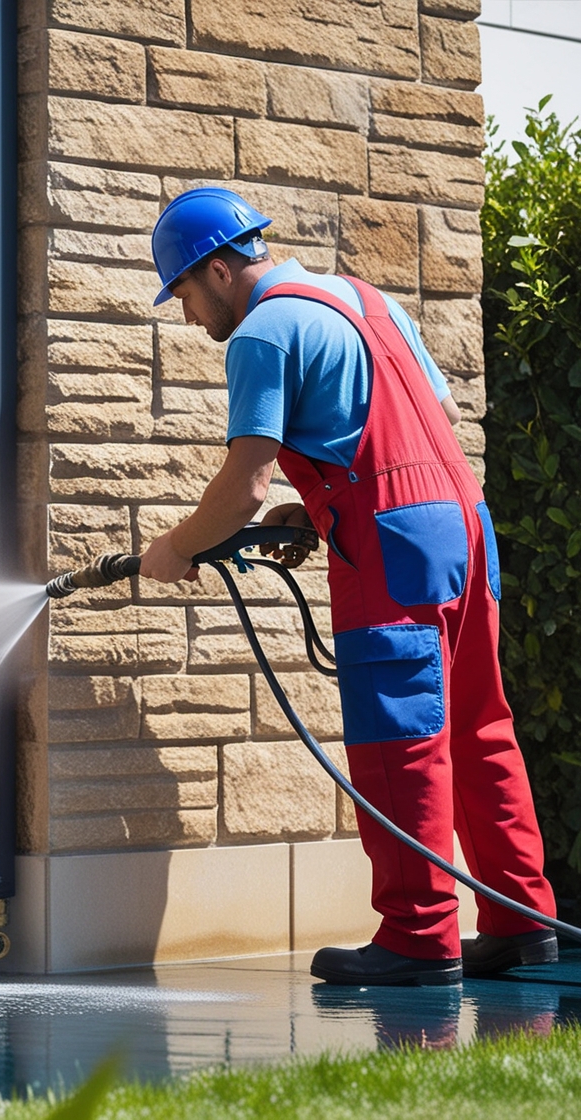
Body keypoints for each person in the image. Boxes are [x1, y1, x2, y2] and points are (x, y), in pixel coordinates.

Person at [138, 187, 558, 985]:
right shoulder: (364, 298)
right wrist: (323, 500)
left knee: (398, 739)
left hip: (392, 547)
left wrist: (177, 546)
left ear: (219, 270)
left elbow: (244, 485)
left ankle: (419, 935)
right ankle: (521, 920)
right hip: (466, 529)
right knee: (480, 726)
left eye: (185, 294)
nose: (188, 317)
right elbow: (418, 413)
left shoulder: (260, 333)